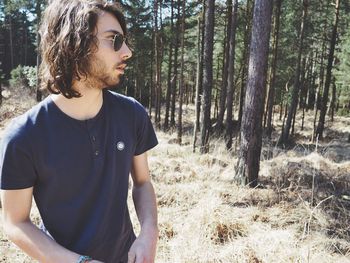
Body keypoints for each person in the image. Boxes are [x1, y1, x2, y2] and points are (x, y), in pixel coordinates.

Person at [0, 0, 159, 262]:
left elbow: (142, 182)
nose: (127, 51)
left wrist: (148, 234)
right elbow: (15, 222)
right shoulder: (23, 137)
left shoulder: (132, 115)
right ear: (74, 44)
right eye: (114, 40)